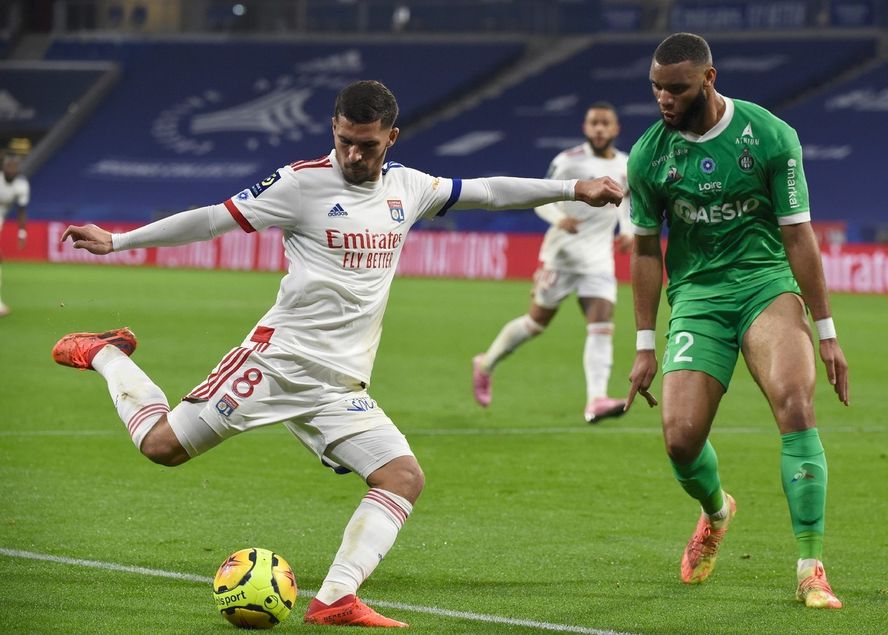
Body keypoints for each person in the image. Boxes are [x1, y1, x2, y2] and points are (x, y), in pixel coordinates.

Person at [53, 80, 622, 628]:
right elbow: (211, 220)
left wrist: (574, 188)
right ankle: (106, 354)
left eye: (367, 145)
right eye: (344, 140)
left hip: (340, 386)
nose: (352, 154)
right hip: (274, 364)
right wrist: (120, 241)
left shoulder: (409, 187)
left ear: (391, 138)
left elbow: (490, 191)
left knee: (401, 477)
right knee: (161, 448)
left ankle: (335, 598)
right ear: (333, 129)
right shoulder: (299, 184)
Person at [624, 34, 849, 609]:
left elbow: (798, 235)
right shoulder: (649, 155)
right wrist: (645, 344)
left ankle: (811, 567)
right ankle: (717, 512)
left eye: (676, 88)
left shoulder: (770, 135)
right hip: (698, 294)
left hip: (764, 283)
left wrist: (826, 333)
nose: (664, 99)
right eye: (656, 88)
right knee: (679, 440)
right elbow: (646, 252)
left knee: (796, 403)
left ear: (709, 79)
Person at [472, 102, 633, 423]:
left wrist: (628, 231)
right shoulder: (568, 162)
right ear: (586, 128)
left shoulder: (627, 165)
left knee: (602, 326)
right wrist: (558, 218)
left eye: (605, 123)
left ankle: (596, 399)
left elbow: (627, 201)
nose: (599, 128)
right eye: (594, 123)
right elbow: (541, 198)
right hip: (562, 254)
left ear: (615, 129)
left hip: (599, 259)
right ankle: (486, 363)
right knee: (535, 323)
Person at [0, 153, 30, 316]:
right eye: (8, 166)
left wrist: (22, 232)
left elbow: (22, 210)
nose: (11, 169)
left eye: (14, 167)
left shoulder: (21, 185)